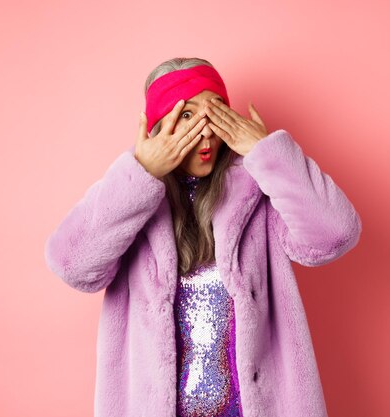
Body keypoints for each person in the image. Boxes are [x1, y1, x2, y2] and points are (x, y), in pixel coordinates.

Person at [44, 57, 362, 417]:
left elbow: (335, 233)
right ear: (158, 126)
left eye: (215, 111)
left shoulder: (257, 194)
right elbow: (72, 265)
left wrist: (267, 153)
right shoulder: (130, 202)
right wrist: (141, 173)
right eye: (186, 115)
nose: (205, 131)